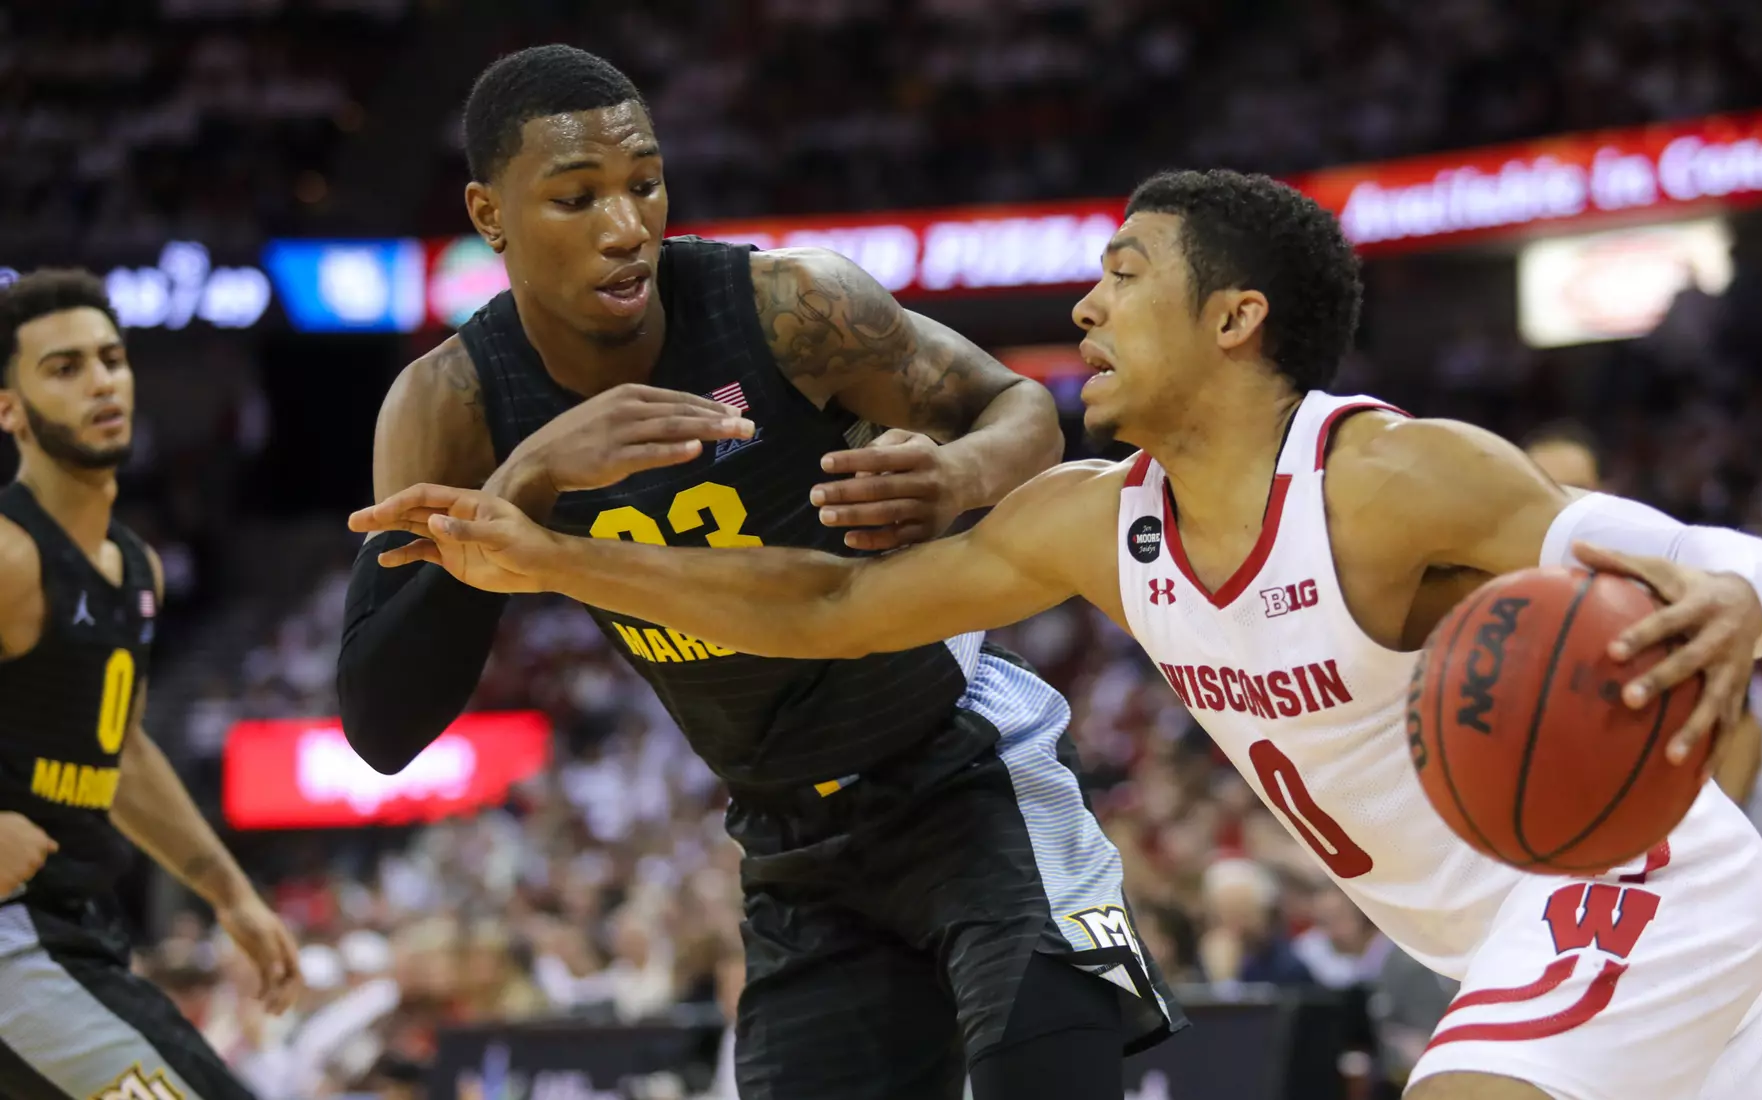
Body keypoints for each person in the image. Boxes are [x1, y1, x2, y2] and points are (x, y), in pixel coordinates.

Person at [358, 167, 1762, 1100]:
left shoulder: (1386, 479)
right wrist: (557, 563)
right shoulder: (1095, 520)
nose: (1082, 302)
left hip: (1633, 892)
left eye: (1123, 274)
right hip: (1487, 938)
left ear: (1236, 317)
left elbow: (1708, 561)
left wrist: (1745, 597)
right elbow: (831, 604)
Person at [333, 46, 1180, 1100]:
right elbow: (381, 718)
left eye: (644, 182)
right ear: (489, 212)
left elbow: (1017, 409)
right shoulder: (449, 406)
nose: (625, 224)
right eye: (576, 196)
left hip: (961, 774)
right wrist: (535, 475)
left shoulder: (785, 306)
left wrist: (954, 473)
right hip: (790, 847)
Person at [0, 269, 300, 1100]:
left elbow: (121, 754)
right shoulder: (9, 556)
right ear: (8, 408)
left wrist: (230, 895)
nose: (100, 380)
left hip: (78, 928)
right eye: (63, 367)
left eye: (110, 358)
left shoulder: (135, 566)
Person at [1522, 419, 1762, 805]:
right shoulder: (1498, 606)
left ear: (1607, 494)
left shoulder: (1664, 593)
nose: (1560, 510)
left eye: (1576, 492)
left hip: (1657, 831)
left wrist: (1712, 830)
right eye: (1545, 493)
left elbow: (1741, 728)